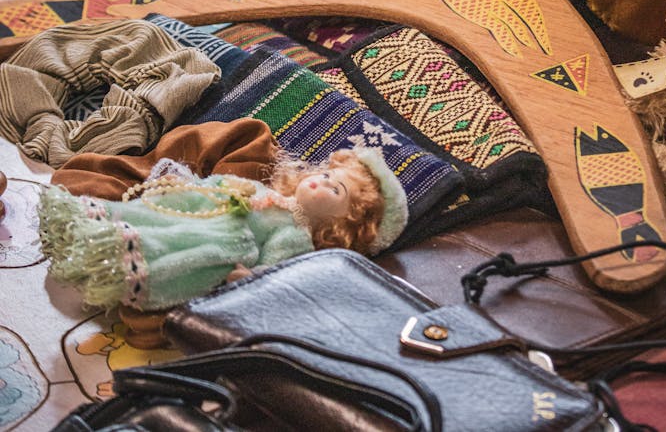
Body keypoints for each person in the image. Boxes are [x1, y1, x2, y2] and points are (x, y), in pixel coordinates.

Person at [37, 146, 408, 312]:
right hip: (203, 212)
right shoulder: (266, 192)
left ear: (343, 223)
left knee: (164, 242)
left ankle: (110, 261)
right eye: (326, 174)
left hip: (219, 240)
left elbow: (272, 272)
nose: (321, 182)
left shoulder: (296, 236)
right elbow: (224, 184)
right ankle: (87, 229)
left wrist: (249, 277)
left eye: (336, 189)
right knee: (151, 215)